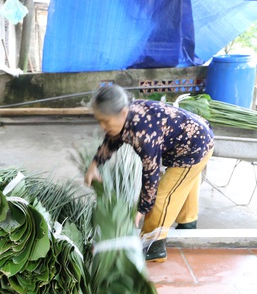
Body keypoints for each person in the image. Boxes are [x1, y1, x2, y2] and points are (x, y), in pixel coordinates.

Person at [84, 84, 214, 262]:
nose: (103, 126)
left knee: (163, 196)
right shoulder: (126, 116)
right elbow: (113, 139)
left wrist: (141, 209)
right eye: (99, 120)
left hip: (194, 149)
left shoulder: (143, 133)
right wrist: (95, 164)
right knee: (184, 184)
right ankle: (188, 223)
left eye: (106, 121)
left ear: (122, 113)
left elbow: (151, 174)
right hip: (193, 136)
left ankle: (153, 246)